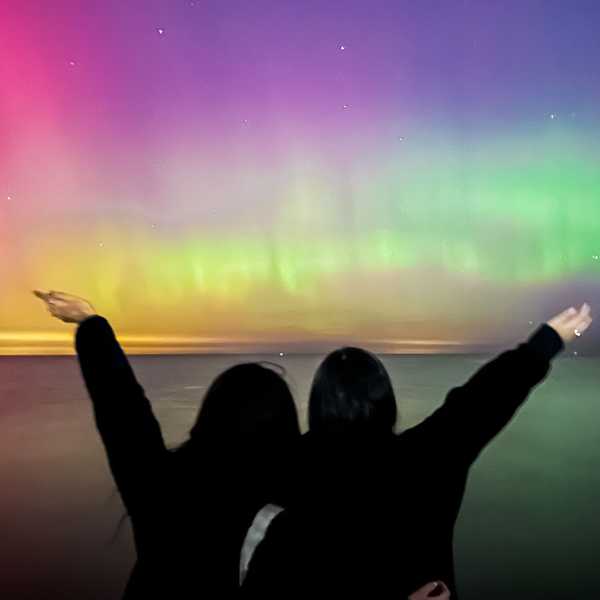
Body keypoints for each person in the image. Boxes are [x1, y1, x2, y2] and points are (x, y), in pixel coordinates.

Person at [241, 304, 592, 598]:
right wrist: (544, 344)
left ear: (317, 404)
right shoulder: (426, 458)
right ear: (385, 400)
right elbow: (480, 401)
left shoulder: (280, 475)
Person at [33, 289, 301, 598]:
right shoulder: (292, 519)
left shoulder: (160, 488)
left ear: (209, 416)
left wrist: (89, 321)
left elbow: (122, 411)